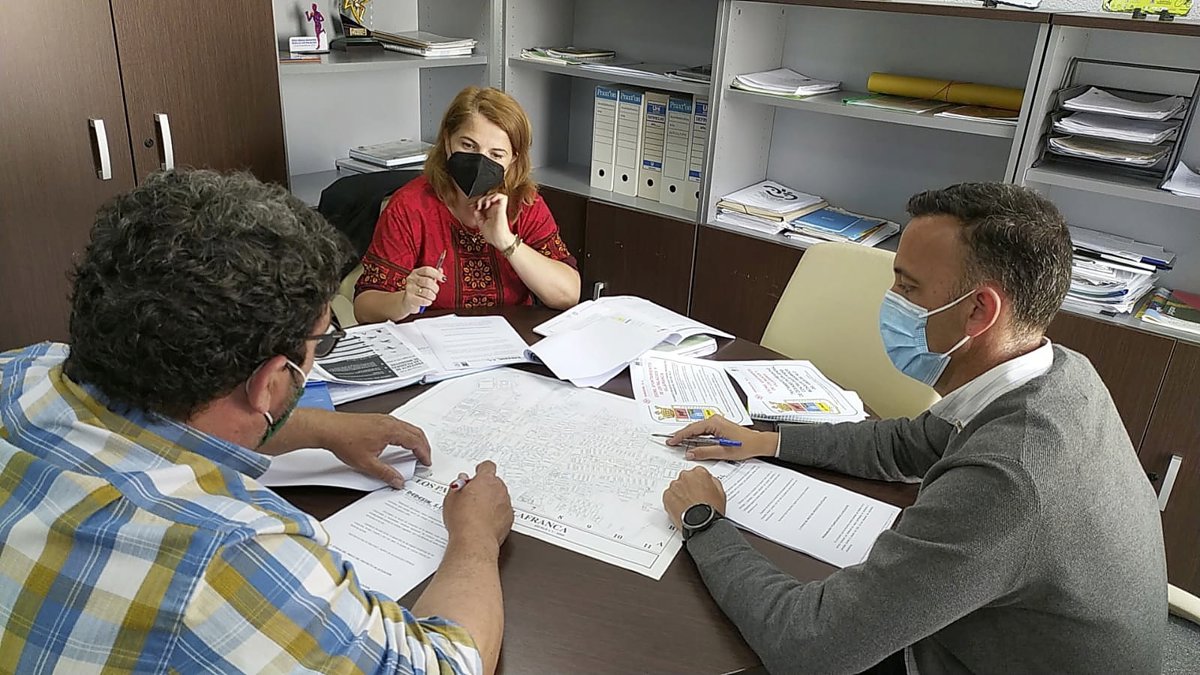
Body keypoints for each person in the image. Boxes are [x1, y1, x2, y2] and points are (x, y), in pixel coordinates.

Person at [0, 170, 514, 674]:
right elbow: (445, 666)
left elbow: (165, 420)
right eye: (320, 343)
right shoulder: (230, 556)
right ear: (270, 380)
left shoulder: (24, 368)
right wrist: (475, 538)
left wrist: (320, 428)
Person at [662, 183, 1167, 674]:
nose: (890, 301)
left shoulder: (1009, 479)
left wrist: (704, 521)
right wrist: (769, 441)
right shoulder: (1057, 371)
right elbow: (907, 443)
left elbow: (808, 646)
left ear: (979, 310)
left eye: (907, 287)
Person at [354, 86, 580, 323]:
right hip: (432, 340)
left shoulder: (524, 204)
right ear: (447, 141)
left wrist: (507, 242)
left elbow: (568, 295)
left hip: (510, 338)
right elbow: (364, 307)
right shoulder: (409, 207)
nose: (480, 162)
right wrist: (403, 302)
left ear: (513, 160)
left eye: (496, 155)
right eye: (468, 146)